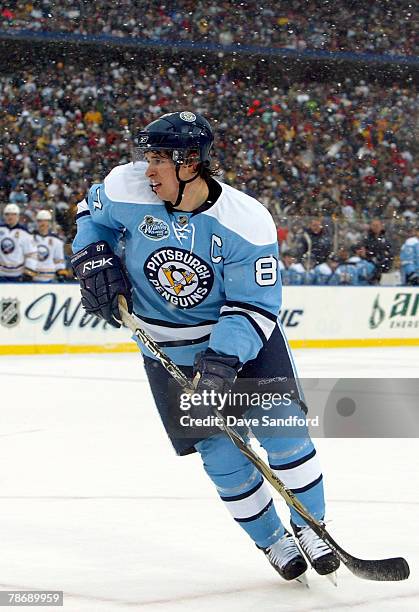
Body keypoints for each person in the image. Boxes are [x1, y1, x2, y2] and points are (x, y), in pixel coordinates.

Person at [71, 111, 339, 582]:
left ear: (190, 163)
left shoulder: (246, 220)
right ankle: (273, 542)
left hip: (243, 344)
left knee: (282, 430)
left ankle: (312, 527)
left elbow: (253, 305)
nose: (147, 169)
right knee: (220, 454)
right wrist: (91, 254)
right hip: (165, 346)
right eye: (147, 157)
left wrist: (220, 365)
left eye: (159, 159)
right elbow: (88, 215)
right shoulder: (126, 188)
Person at [0, 203, 37, 282]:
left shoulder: (25, 233)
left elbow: (32, 254)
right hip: (1, 274)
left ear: (18, 216)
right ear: (4, 216)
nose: (10, 217)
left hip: (17, 275)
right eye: (7, 214)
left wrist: (28, 273)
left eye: (13, 214)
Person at [32, 210, 68, 282]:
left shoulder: (57, 241)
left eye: (45, 221)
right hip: (33, 278)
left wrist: (61, 273)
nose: (43, 223)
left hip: (50, 279)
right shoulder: (30, 238)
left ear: (49, 223)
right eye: (40, 221)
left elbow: (58, 260)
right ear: (37, 222)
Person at [363, 218, 394, 283]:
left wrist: (386, 266)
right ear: (371, 226)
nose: (375, 227)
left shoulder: (386, 239)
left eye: (377, 225)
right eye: (374, 225)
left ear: (381, 227)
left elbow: (390, 254)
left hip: (384, 270)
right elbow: (365, 253)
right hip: (370, 270)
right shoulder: (366, 240)